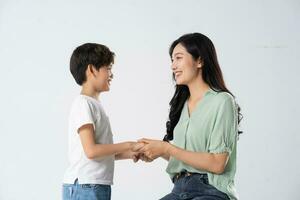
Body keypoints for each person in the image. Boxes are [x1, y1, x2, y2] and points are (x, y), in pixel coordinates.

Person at [136, 33, 242, 200]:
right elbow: (185, 157)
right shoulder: (182, 104)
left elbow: (217, 163)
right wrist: (157, 152)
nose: (173, 66)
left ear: (199, 61)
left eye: (178, 58)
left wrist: (166, 148)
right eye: (172, 60)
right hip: (179, 189)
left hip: (211, 190)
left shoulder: (222, 101)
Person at [62, 43, 142, 200]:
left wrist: (129, 153)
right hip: (86, 187)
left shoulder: (93, 104)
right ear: (92, 70)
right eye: (108, 68)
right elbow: (91, 151)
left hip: (93, 186)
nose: (111, 75)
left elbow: (98, 153)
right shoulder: (83, 104)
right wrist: (129, 144)